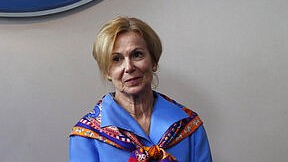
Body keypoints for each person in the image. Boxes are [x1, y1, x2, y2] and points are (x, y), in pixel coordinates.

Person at [69, 16, 212, 161]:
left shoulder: (189, 125)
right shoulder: (87, 136)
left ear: (154, 61)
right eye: (116, 59)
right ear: (107, 71)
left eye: (137, 55)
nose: (129, 67)